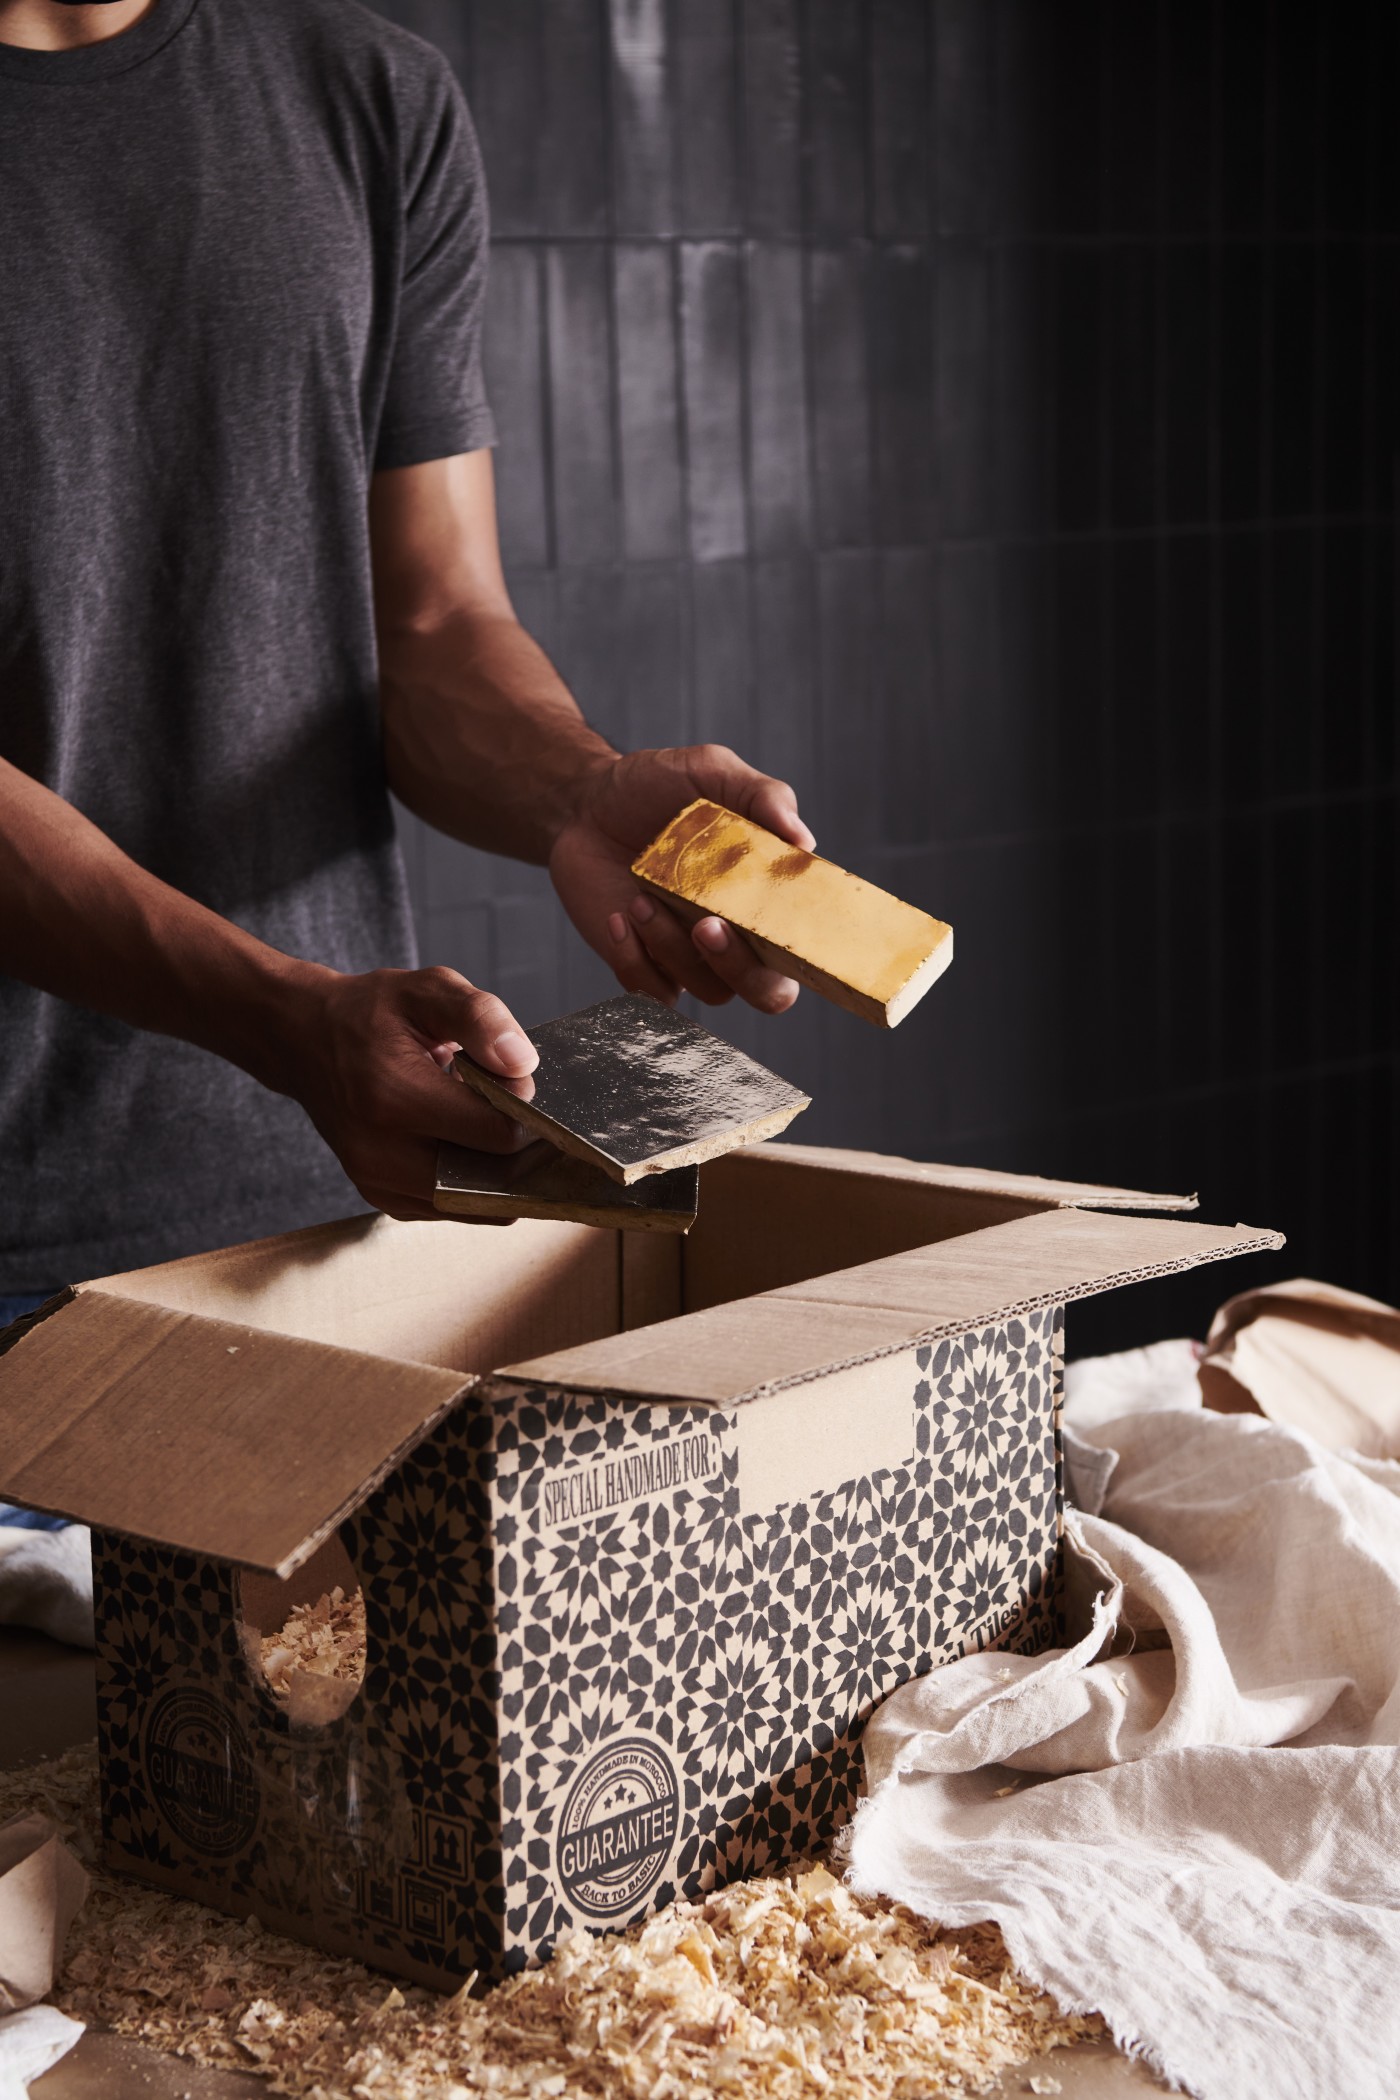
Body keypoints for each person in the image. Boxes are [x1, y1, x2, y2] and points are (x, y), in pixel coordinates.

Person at [0, 0, 813, 1368]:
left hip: (312, 1233)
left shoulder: (372, 97)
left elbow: (433, 616)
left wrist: (581, 787)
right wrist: (283, 1019)